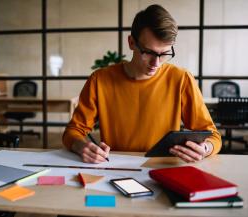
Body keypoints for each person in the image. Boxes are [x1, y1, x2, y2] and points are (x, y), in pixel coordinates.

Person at [62, 4, 221, 164]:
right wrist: (81, 146)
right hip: (114, 168)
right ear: (131, 42)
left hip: (162, 168)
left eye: (165, 54)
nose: (156, 63)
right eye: (148, 52)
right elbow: (73, 131)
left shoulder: (181, 79)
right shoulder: (100, 80)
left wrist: (205, 148)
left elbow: (213, 136)